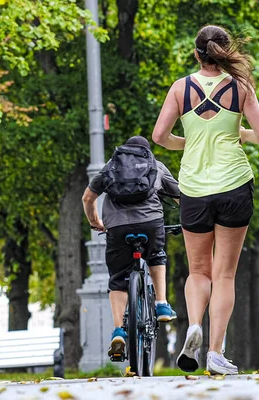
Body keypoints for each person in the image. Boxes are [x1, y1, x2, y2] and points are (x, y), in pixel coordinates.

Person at [152, 25, 259, 375]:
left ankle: (193, 326)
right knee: (224, 275)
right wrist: (240, 134)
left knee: (199, 270)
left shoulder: (180, 88)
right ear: (224, 51)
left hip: (193, 189)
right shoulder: (240, 88)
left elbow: (160, 136)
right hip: (234, 185)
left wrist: (187, 144)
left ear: (196, 54)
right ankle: (216, 352)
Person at [81, 135, 180, 360]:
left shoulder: (111, 166)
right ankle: (162, 304)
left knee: (118, 278)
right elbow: (180, 197)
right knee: (156, 255)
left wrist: (95, 221)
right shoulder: (157, 166)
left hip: (117, 228)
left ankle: (118, 331)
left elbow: (87, 198)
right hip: (151, 223)